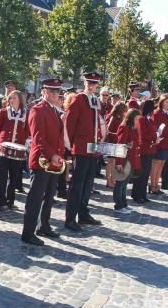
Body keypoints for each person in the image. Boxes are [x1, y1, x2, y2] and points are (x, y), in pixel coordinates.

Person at [21, 79, 65, 246]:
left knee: (49, 197)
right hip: (42, 161)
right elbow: (38, 138)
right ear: (44, 92)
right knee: (36, 197)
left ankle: (43, 225)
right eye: (51, 91)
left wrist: (59, 155)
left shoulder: (55, 110)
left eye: (56, 91)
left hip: (53, 161)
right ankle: (28, 232)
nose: (54, 94)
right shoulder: (37, 110)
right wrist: (52, 155)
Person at [65, 71, 103, 232]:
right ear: (85, 83)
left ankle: (83, 213)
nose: (92, 86)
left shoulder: (96, 100)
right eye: (90, 83)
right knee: (77, 184)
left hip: (93, 148)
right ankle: (70, 218)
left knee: (88, 183)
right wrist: (70, 147)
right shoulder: (78, 99)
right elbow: (70, 124)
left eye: (94, 83)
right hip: (81, 147)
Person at [0, 90, 28, 211]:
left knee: (14, 177)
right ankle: (1, 202)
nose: (11, 100)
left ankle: (10, 201)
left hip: (18, 149)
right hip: (3, 148)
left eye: (14, 98)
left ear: (20, 100)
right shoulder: (3, 112)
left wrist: (24, 143)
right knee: (2, 177)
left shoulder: (25, 114)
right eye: (10, 98)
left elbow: (27, 131)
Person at [113, 108, 141, 213]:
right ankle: (118, 205)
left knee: (124, 184)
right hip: (124, 159)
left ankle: (123, 203)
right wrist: (119, 162)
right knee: (120, 183)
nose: (138, 121)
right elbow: (119, 145)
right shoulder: (124, 127)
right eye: (137, 119)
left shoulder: (132, 128)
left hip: (131, 159)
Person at [134, 99, 160, 203]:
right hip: (144, 148)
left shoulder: (150, 119)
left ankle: (143, 194)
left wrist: (156, 137)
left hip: (151, 148)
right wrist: (154, 137)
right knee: (141, 174)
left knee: (146, 174)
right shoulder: (142, 119)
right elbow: (142, 134)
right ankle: (137, 195)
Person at [149, 95, 168, 195]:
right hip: (159, 142)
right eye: (166, 102)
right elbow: (155, 128)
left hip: (166, 142)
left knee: (162, 164)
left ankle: (156, 185)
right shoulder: (157, 112)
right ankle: (152, 186)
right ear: (161, 102)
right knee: (156, 164)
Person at [105, 102, 127, 188]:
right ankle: (108, 181)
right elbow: (109, 130)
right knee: (110, 162)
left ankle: (111, 179)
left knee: (114, 162)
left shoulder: (120, 117)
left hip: (117, 142)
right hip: (112, 142)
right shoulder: (113, 117)